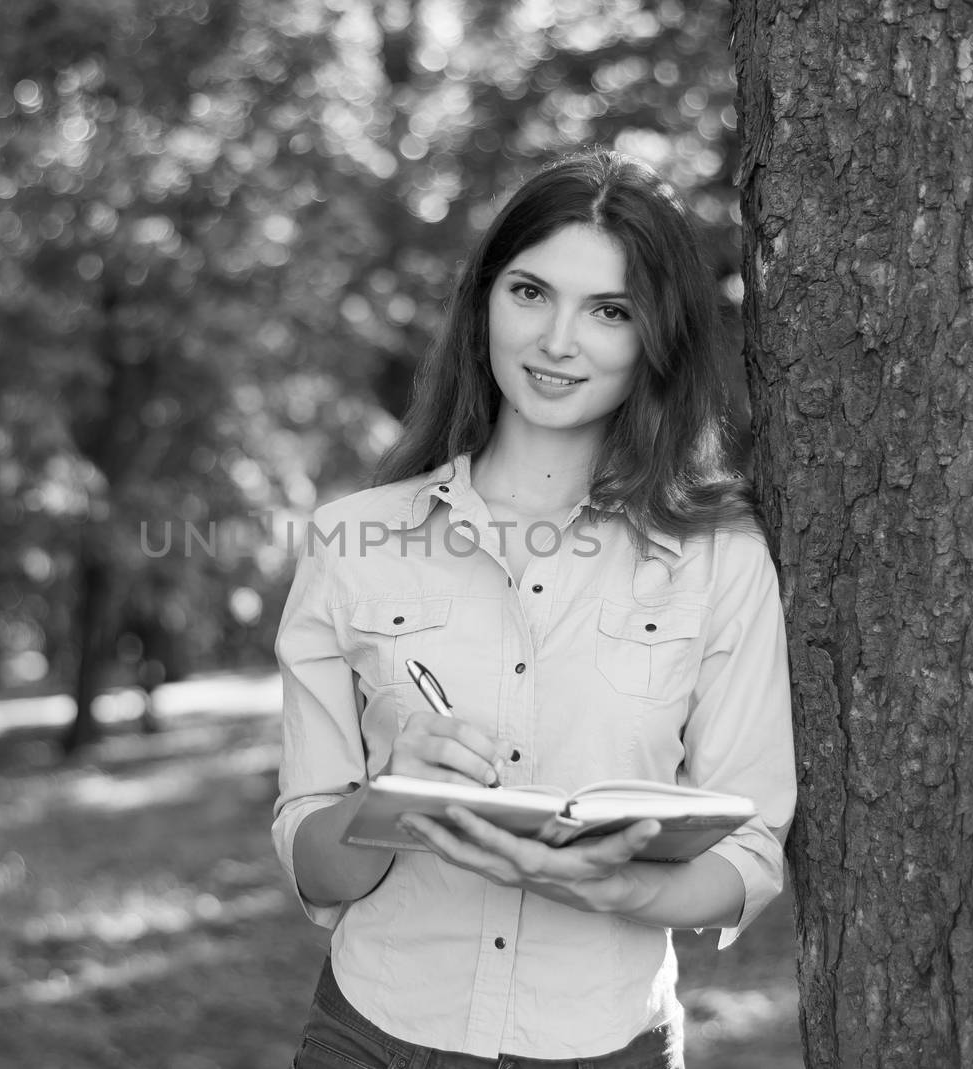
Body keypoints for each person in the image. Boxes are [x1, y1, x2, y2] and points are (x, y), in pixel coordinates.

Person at [272, 147, 796, 1069]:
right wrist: (385, 793)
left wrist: (613, 887)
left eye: (610, 310)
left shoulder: (722, 560)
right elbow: (312, 860)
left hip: (609, 1042)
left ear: (655, 336)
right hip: (376, 1038)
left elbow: (750, 853)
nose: (559, 340)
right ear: (483, 307)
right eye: (529, 293)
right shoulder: (352, 541)